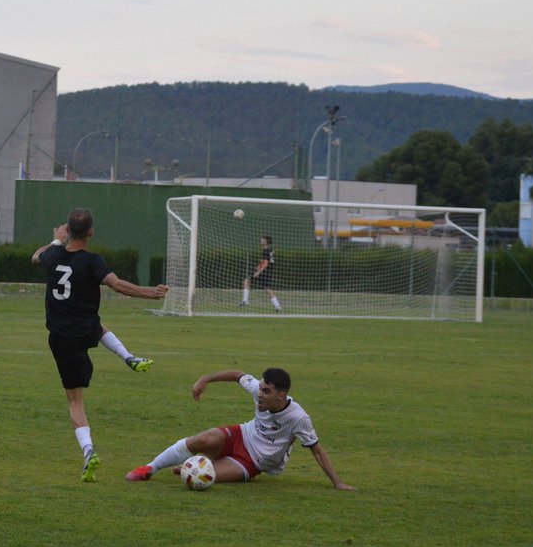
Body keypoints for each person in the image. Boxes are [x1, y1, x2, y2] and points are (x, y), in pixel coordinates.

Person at [32, 208, 170, 482]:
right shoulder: (92, 261)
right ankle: (128, 357)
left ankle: (88, 451)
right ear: (91, 232)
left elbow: (35, 256)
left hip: (61, 338)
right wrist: (150, 293)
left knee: (75, 402)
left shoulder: (53, 255)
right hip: (85, 330)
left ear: (68, 230)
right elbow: (116, 285)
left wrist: (57, 239)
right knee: (96, 326)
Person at [125, 367, 353, 489]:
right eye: (260, 389)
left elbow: (317, 451)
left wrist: (338, 482)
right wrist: (204, 379)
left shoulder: (298, 418)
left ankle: (191, 466)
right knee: (199, 441)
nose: (260, 394)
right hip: (240, 435)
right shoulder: (258, 390)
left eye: (266, 392)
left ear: (281, 395)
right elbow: (237, 375)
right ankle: (150, 468)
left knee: (205, 477)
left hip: (253, 462)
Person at [241, 234, 281, 312]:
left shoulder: (266, 251)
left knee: (247, 281)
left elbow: (266, 263)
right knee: (267, 289)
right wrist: (259, 266)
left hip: (264, 271)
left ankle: (245, 301)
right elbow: (266, 261)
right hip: (269, 271)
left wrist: (258, 272)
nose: (261, 240)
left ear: (266, 241)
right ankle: (278, 306)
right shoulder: (270, 250)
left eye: (263, 239)